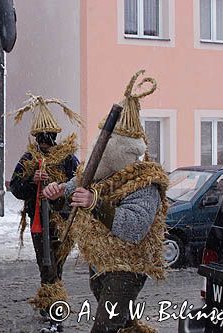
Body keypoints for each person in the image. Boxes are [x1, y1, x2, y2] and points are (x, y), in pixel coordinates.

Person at [43, 70, 169, 333]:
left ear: (121, 154)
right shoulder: (101, 177)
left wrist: (95, 203)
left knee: (106, 326)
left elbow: (133, 228)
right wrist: (57, 195)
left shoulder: (145, 184)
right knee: (121, 321)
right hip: (101, 262)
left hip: (127, 267)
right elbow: (71, 195)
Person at [9, 95, 81, 333]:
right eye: (43, 138)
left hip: (63, 222)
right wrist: (33, 181)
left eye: (49, 137)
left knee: (56, 266)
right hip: (39, 223)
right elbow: (16, 188)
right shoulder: (29, 159)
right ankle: (52, 307)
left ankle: (53, 304)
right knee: (46, 266)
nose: (46, 142)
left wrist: (61, 189)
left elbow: (80, 182)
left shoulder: (68, 158)